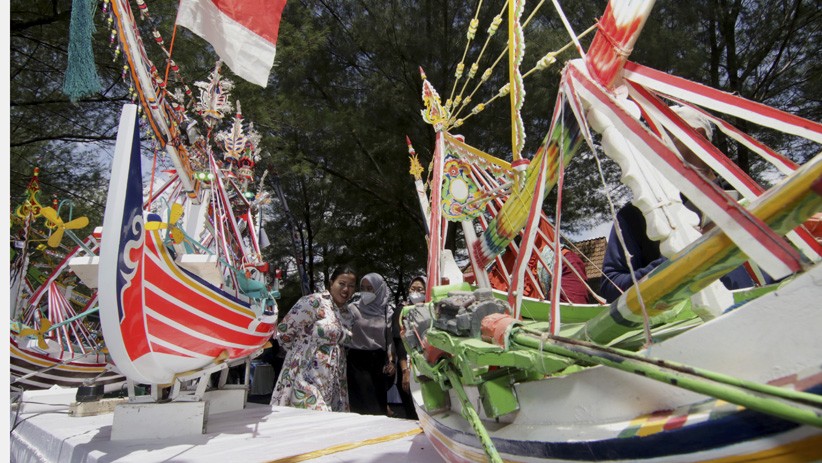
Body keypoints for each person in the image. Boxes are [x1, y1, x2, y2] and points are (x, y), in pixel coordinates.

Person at [600, 106, 757, 303]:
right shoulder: (635, 214)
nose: (652, 146)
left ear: (699, 136)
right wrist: (675, 257)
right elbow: (611, 287)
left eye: (664, 136)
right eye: (649, 138)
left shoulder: (746, 200)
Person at [270, 266, 356, 411]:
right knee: (314, 415)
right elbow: (284, 331)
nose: (346, 289)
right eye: (341, 283)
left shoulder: (348, 314)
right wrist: (301, 350)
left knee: (328, 421)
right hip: (306, 375)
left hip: (333, 379)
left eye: (351, 286)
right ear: (331, 283)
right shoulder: (313, 302)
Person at [341, 272, 395, 416]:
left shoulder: (388, 312)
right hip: (357, 362)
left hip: (378, 363)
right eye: (363, 288)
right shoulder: (352, 309)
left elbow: (389, 339)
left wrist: (391, 360)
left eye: (370, 288)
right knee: (362, 405)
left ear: (379, 289)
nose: (366, 292)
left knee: (378, 404)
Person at [389, 276, 425, 419]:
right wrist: (405, 371)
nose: (415, 292)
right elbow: (400, 342)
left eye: (420, 289)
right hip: (407, 366)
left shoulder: (431, 308)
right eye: (412, 289)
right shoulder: (401, 310)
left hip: (426, 366)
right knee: (412, 412)